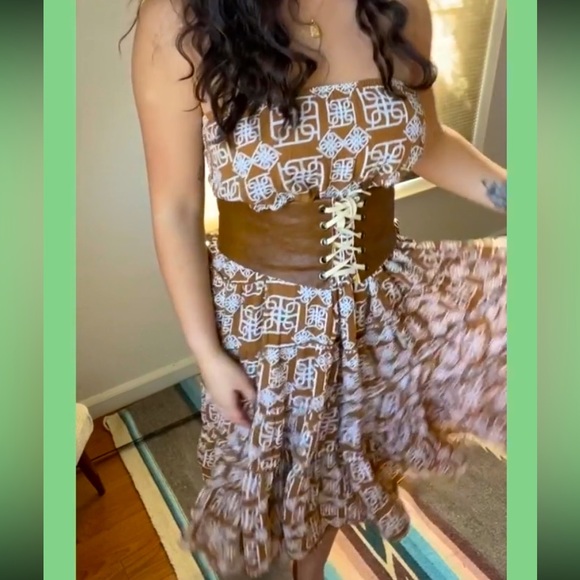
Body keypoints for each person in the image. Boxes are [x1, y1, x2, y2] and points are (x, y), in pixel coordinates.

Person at [131, 0, 506, 578]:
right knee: (271, 494)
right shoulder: (180, 17)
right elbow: (175, 209)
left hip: (378, 307)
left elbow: (427, 142)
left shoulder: (399, 7)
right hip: (265, 324)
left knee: (338, 471)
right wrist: (207, 353)